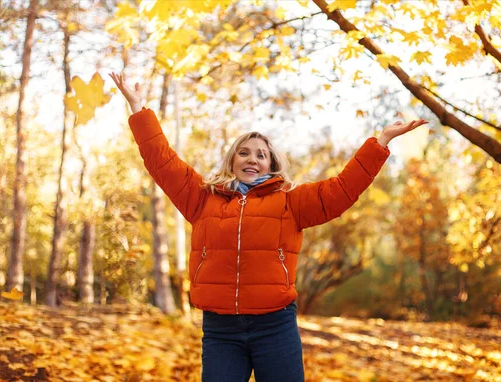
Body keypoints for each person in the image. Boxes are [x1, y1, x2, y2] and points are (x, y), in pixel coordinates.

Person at [110, 72, 427, 382]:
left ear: (271, 165)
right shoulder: (202, 198)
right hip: (221, 330)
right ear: (232, 161)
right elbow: (163, 162)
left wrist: (381, 141)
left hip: (275, 326)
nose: (252, 159)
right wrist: (138, 109)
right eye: (244, 153)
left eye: (261, 155)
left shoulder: (290, 202)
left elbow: (343, 189)